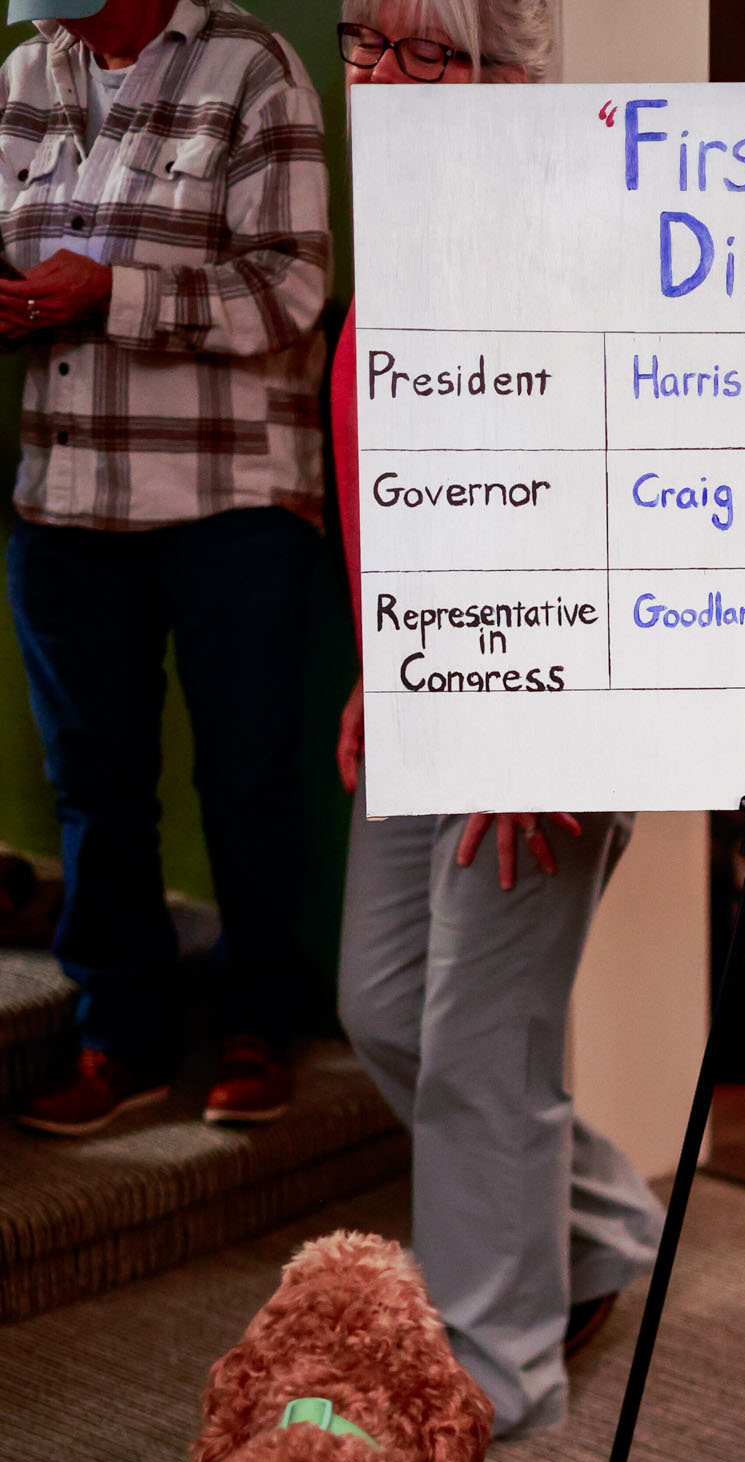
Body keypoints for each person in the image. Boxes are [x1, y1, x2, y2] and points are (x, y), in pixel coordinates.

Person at [331, 0, 664, 1439]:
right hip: (424, 679)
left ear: (517, 79)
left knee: (480, 1042)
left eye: (435, 52)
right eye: (368, 40)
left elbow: (631, 500)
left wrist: (547, 722)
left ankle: (489, 1380)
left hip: (548, 707)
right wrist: (379, 660)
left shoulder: (573, 246)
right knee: (382, 1003)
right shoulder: (399, 229)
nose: (391, 78)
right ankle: (599, 1225)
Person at [0, 0, 331, 1134]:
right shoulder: (25, 73)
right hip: (67, 497)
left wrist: (112, 291)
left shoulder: (254, 66)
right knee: (93, 787)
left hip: (229, 497)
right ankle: (116, 1038)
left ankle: (256, 1026)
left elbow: (290, 290)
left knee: (246, 780)